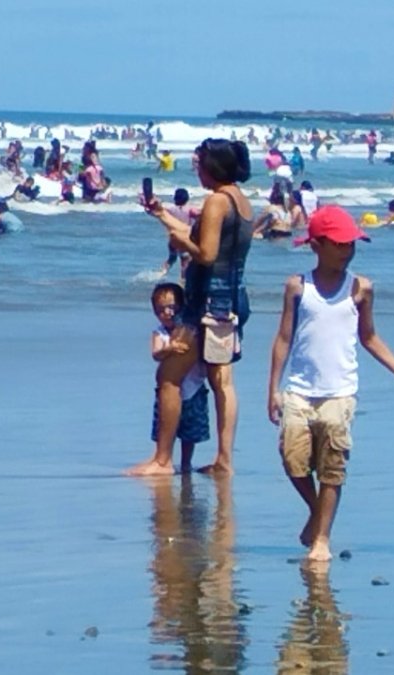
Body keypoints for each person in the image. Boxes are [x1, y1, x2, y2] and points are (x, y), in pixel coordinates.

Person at [268, 205, 394, 561]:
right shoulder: (298, 287)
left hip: (340, 393)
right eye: (340, 244)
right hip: (299, 389)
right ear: (317, 245)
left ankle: (322, 539)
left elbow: (369, 337)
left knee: (332, 466)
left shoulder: (360, 288)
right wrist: (273, 388)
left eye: (351, 245)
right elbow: (283, 338)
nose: (347, 251)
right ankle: (317, 512)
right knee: (292, 458)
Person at [129, 138, 254, 477]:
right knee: (221, 380)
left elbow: (205, 253)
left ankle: (161, 460)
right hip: (232, 299)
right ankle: (224, 459)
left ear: (212, 166)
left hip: (206, 303)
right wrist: (161, 215)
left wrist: (180, 242)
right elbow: (201, 235)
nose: (196, 170)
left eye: (198, 164)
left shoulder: (216, 201)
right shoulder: (239, 201)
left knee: (169, 375)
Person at [148, 283, 211, 473]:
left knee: (190, 433)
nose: (167, 313)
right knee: (164, 427)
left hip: (195, 388)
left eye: (172, 308)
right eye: (161, 310)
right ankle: (163, 456)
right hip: (168, 390)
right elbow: (156, 354)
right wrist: (169, 348)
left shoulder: (189, 330)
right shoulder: (160, 332)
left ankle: (186, 463)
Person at [161, 188, 195, 275]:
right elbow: (199, 215)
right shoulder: (190, 210)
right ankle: (183, 279)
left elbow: (160, 212)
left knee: (172, 258)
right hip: (184, 240)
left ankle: (162, 272)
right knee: (185, 261)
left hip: (173, 239)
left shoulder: (171, 210)